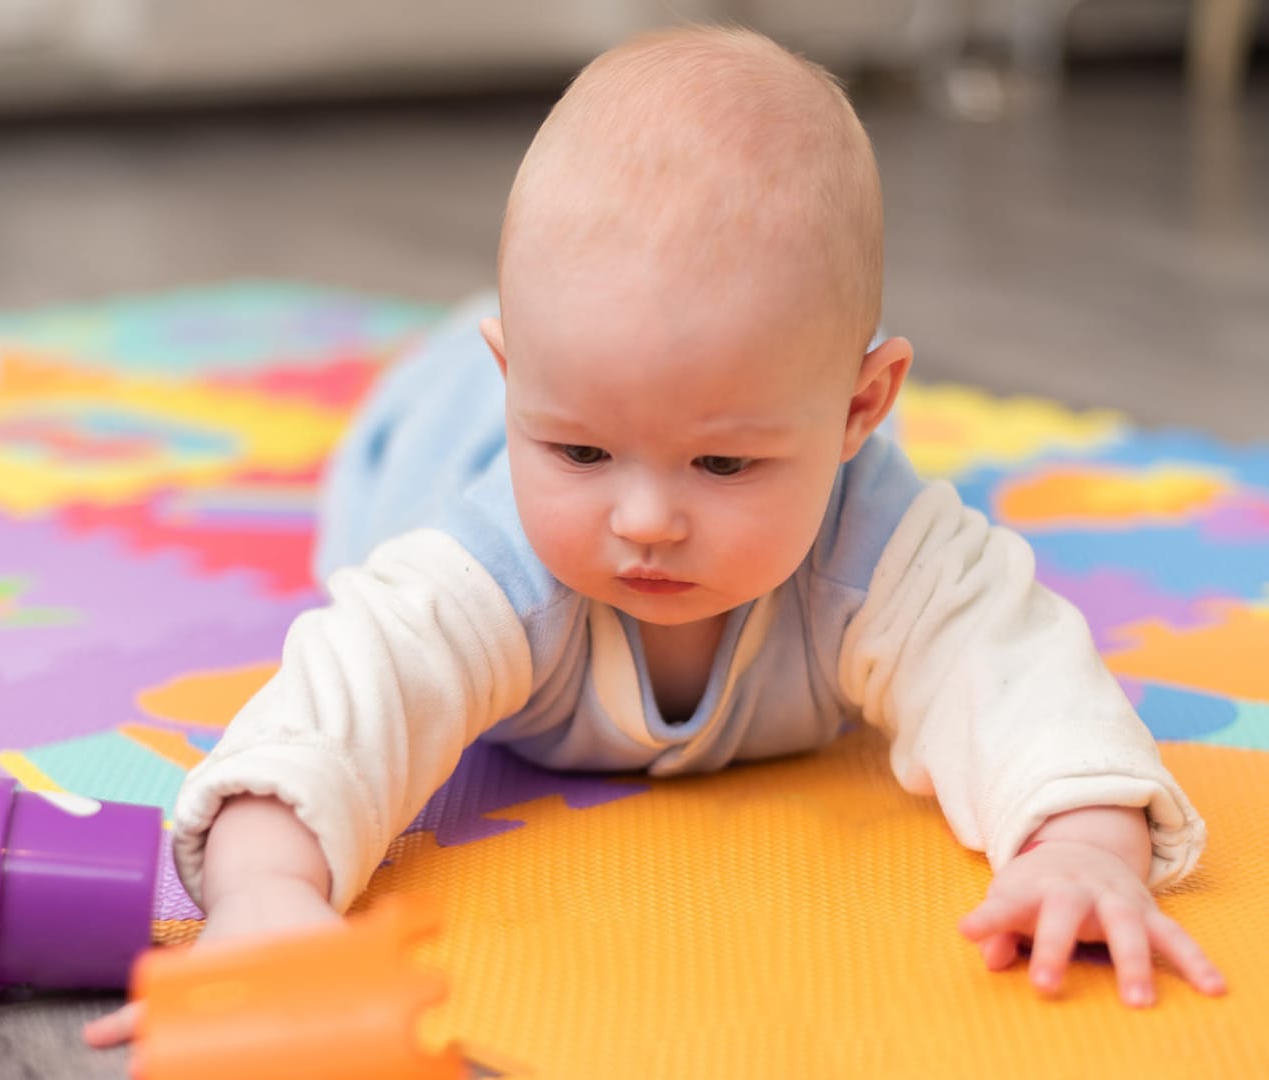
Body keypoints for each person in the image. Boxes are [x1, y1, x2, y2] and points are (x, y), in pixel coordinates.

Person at [88, 23, 1223, 1047]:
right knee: (418, 500)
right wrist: (265, 895)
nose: (642, 522)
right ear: (519, 393)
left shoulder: (885, 550)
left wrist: (1080, 848)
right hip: (426, 434)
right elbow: (332, 711)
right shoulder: (491, 566)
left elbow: (1025, 683)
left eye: (723, 463)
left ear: (861, 411)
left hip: (660, 385)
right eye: (579, 453)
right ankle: (482, 368)